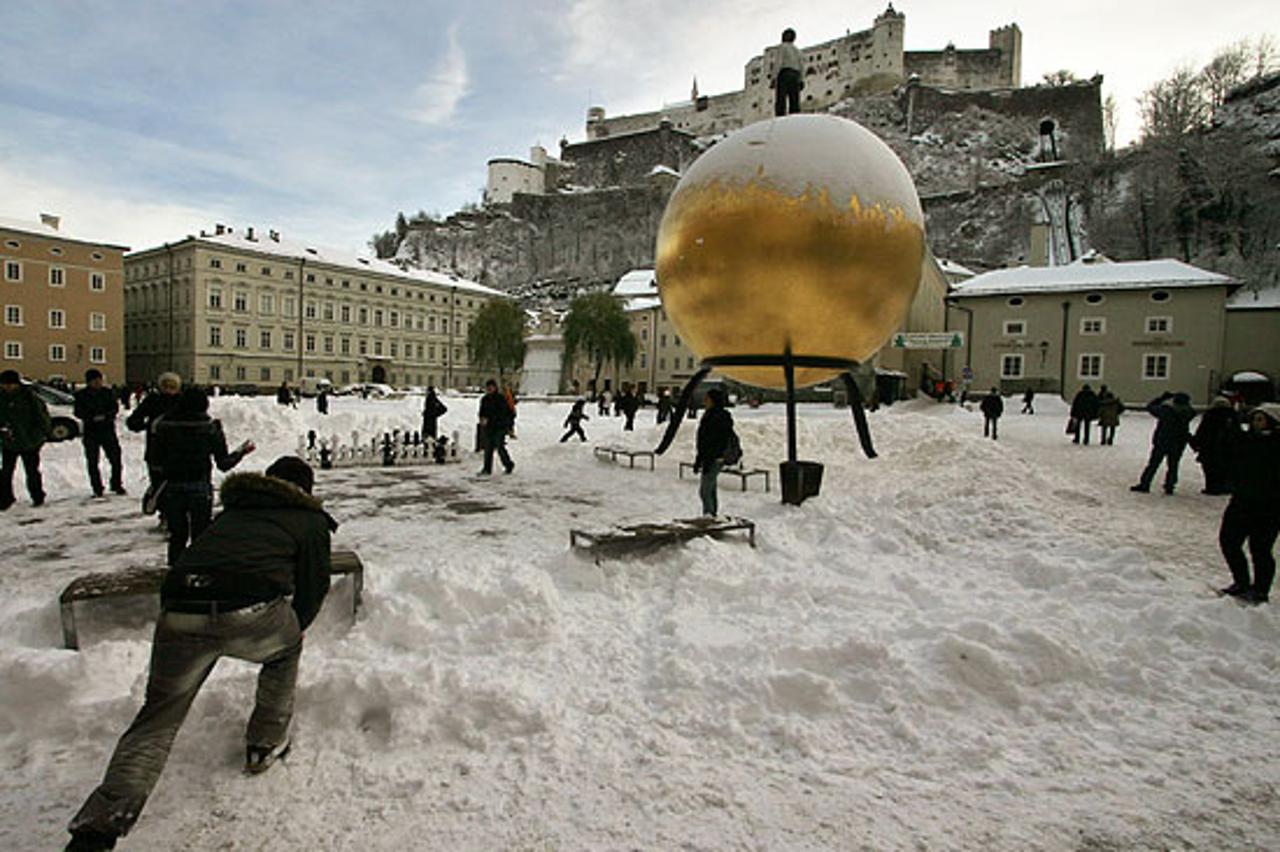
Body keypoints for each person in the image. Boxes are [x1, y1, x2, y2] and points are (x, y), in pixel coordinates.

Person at [65, 457, 336, 851]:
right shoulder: (310, 521)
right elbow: (314, 587)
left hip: (180, 610)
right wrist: (295, 625)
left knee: (157, 718)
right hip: (251, 612)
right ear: (305, 491)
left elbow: (193, 561)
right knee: (284, 652)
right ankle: (264, 743)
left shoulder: (231, 513)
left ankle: (98, 828)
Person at [152, 387, 255, 566]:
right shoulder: (209, 427)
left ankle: (175, 573)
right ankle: (198, 572)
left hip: (172, 487)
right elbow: (223, 464)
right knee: (200, 534)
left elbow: (154, 459)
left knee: (177, 535)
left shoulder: (163, 426)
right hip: (199, 486)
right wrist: (241, 452)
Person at [1216, 404, 1280, 604]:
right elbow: (1228, 454)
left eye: (1261, 419)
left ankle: (1260, 590)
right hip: (1241, 501)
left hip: (1269, 506)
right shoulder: (1246, 440)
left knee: (1260, 548)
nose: (1256, 423)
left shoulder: (1277, 444)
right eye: (1254, 419)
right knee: (1228, 541)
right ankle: (1241, 581)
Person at [127, 372, 183, 507]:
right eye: (166, 385)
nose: (169, 389)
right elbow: (133, 421)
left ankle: (175, 514)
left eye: (172, 386)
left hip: (179, 449)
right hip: (156, 449)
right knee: (159, 483)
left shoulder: (183, 401)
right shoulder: (153, 400)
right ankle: (163, 513)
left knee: (176, 484)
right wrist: (148, 426)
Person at [0, 369, 50, 510]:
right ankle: (5, 498)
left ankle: (37, 496)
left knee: (32, 471)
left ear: (17, 384)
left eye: (11, 384)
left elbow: (41, 418)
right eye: (5, 384)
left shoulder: (29, 397)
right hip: (9, 441)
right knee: (6, 472)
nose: (8, 387)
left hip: (30, 441)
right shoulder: (1, 398)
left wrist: (40, 435)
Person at [1130, 391, 1197, 495]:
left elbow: (1150, 407)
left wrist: (1162, 398)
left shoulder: (1166, 411)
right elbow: (1193, 411)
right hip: (1179, 442)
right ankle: (1170, 485)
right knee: (1173, 465)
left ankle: (1145, 483)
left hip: (1163, 440)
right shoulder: (1188, 413)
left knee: (1153, 464)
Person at [74, 369, 126, 498]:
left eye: (99, 380)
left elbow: (114, 408)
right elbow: (78, 412)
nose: (98, 383)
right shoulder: (82, 395)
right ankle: (97, 487)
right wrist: (91, 417)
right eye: (95, 381)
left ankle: (116, 484)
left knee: (116, 459)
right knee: (92, 461)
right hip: (91, 431)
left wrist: (106, 416)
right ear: (89, 382)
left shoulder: (107, 393)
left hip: (107, 430)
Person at [693, 388, 735, 517]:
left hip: (715, 457)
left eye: (707, 399)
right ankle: (712, 514)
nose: (704, 401)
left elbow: (716, 440)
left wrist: (709, 458)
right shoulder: (710, 414)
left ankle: (709, 515)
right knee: (710, 488)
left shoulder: (719, 416)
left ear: (713, 401)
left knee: (705, 490)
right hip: (709, 456)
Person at [1191, 396, 1239, 495]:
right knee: (1227, 468)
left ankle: (1212, 487)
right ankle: (1226, 486)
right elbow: (1237, 432)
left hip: (1210, 448)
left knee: (1210, 469)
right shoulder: (1233, 416)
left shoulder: (1210, 415)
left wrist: (1196, 443)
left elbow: (1203, 431)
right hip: (1229, 448)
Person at [477, 379, 515, 475]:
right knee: (488, 448)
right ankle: (487, 468)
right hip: (489, 427)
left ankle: (508, 464)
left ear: (495, 387)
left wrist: (508, 426)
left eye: (491, 387)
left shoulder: (500, 399)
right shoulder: (485, 399)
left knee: (500, 446)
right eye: (488, 387)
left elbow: (506, 413)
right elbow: (482, 411)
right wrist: (482, 419)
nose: (489, 389)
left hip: (499, 427)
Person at [773, 28, 804, 116]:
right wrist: (801, 79)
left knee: (781, 98)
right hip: (796, 75)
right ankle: (794, 117)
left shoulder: (782, 47)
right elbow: (802, 67)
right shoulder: (798, 51)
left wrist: (774, 77)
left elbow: (778, 62)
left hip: (785, 73)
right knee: (794, 100)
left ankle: (780, 116)